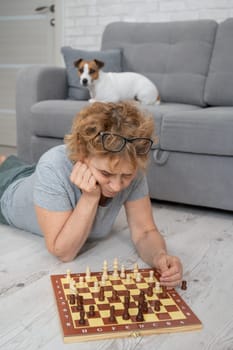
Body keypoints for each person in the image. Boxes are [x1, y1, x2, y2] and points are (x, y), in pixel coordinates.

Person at [0, 101, 182, 287]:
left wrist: (159, 256)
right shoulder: (53, 165)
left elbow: (145, 231)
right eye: (106, 174)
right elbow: (64, 252)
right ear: (82, 156)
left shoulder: (130, 165)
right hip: (7, 190)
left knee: (20, 167)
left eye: (126, 176)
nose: (117, 186)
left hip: (34, 177)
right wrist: (90, 197)